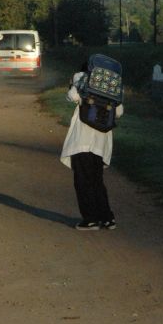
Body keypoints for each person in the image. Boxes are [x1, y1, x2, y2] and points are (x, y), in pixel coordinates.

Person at [60, 62, 123, 231]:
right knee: (97, 181)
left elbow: (72, 97)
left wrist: (74, 85)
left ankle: (90, 219)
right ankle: (107, 218)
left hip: (83, 141)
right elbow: (119, 112)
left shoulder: (82, 80)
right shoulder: (111, 87)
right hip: (101, 143)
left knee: (82, 181)